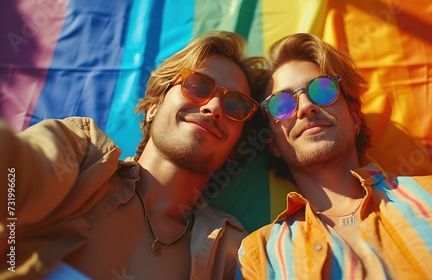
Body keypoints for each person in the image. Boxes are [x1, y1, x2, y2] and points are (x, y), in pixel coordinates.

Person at [0, 30, 266, 279]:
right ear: (154, 107)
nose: (215, 107)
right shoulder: (81, 152)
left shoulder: (231, 250)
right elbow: (16, 170)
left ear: (234, 148)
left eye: (236, 105)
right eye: (198, 86)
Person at [236, 33, 432, 279]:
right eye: (282, 105)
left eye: (323, 90)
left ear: (354, 117)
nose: (305, 107)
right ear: (271, 143)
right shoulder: (258, 258)